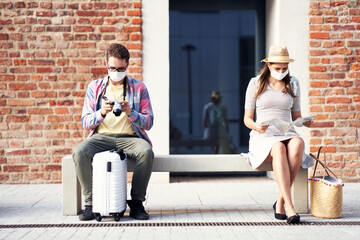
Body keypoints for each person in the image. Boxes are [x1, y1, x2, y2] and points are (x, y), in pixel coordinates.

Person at [73, 43, 154, 221]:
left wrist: (131, 113)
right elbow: (85, 123)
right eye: (112, 68)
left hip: (130, 137)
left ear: (127, 65)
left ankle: (137, 202)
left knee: (146, 151)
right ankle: (91, 203)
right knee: (79, 152)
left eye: (121, 68)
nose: (116, 71)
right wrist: (101, 112)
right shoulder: (95, 87)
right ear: (105, 64)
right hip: (101, 137)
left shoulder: (139, 87)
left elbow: (149, 122)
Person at [243, 46, 313, 224]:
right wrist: (257, 126)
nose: (281, 72)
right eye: (277, 68)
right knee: (278, 147)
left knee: (298, 143)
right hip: (264, 135)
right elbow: (247, 118)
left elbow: (296, 116)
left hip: (287, 131)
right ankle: (289, 207)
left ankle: (280, 200)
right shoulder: (256, 83)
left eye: (285, 68)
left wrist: (304, 121)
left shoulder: (293, 83)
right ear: (269, 66)